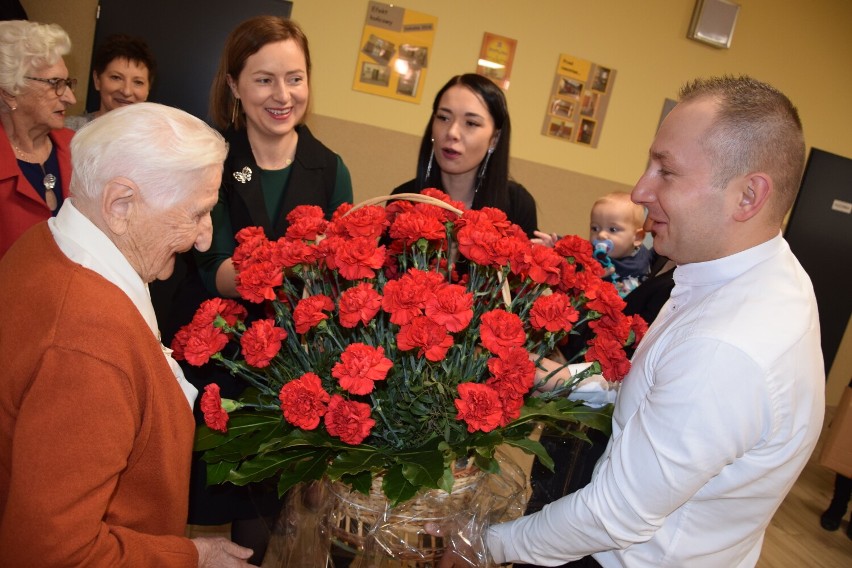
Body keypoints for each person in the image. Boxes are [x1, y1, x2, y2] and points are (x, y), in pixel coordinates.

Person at [437, 75, 825, 568]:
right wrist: (559, 378)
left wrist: (485, 545)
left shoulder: (728, 346)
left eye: (666, 172)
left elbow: (615, 516)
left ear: (748, 196)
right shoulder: (757, 276)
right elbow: (660, 395)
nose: (641, 191)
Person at [0, 102, 253, 566]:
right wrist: (189, 557)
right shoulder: (89, 342)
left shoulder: (46, 243)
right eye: (197, 213)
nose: (204, 238)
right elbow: (51, 554)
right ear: (121, 205)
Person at [170, 15, 353, 564]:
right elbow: (215, 265)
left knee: (257, 526)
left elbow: (339, 274)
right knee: (183, 506)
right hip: (211, 358)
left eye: (294, 79)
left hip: (283, 378)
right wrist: (285, 270)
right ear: (233, 85)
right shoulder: (214, 159)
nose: (282, 95)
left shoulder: (331, 168)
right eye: (264, 79)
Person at [391, 73, 537, 237]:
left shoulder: (517, 204)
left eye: (471, 123)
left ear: (494, 139)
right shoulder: (404, 200)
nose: (452, 132)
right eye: (444, 118)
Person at [0, 20, 76, 258]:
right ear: (10, 93)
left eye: (67, 83)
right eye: (55, 84)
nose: (70, 98)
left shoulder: (79, 148)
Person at [534, 192, 653, 297]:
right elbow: (575, 249)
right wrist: (555, 244)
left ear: (638, 237)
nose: (601, 235)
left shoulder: (646, 258)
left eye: (612, 229)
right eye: (595, 228)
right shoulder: (592, 253)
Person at [65, 33, 156, 130]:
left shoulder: (159, 138)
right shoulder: (69, 131)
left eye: (138, 82)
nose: (126, 91)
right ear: (97, 80)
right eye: (116, 78)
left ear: (148, 89)